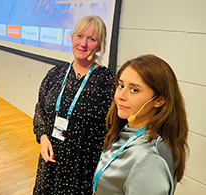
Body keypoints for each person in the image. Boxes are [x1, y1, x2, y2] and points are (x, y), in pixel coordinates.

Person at [33, 15, 115, 194]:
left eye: (91, 39)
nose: (83, 44)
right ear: (71, 38)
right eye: (79, 36)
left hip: (81, 165)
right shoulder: (56, 73)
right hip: (50, 158)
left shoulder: (107, 82)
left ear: (99, 46)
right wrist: (43, 137)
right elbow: (40, 107)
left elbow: (112, 127)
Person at [92, 54, 189, 195]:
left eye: (134, 90)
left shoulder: (149, 159)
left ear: (159, 100)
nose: (120, 96)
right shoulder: (127, 131)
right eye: (121, 85)